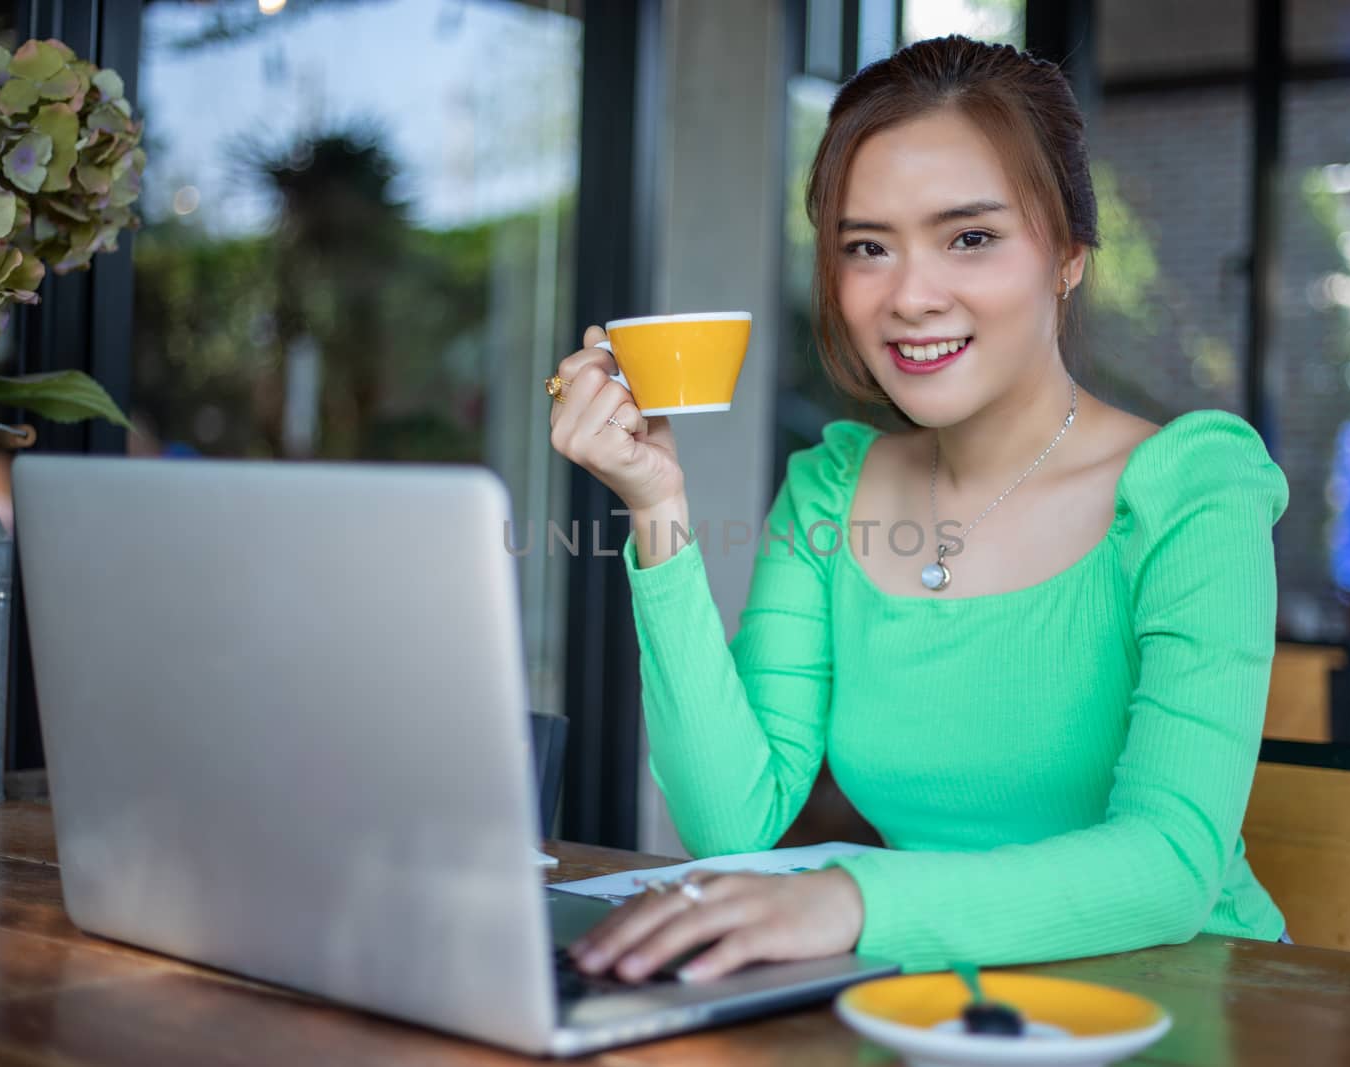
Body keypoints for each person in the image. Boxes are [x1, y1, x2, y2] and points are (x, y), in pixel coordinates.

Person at [545, 35, 1288, 982]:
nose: (911, 296)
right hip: (930, 997)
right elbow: (734, 819)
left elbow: (1171, 867)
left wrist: (853, 900)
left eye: (969, 237)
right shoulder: (831, 487)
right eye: (867, 247)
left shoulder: (1194, 489)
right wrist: (657, 506)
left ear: (1067, 254)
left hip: (1196, 1001)